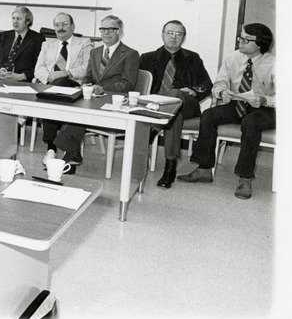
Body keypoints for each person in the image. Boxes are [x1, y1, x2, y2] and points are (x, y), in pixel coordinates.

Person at [178, 23, 275, 200]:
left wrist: (263, 99)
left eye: (247, 39)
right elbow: (219, 82)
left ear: (260, 43)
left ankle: (245, 178)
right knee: (209, 115)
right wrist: (222, 92)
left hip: (265, 110)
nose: (241, 41)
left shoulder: (275, 64)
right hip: (239, 104)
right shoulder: (233, 58)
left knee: (251, 122)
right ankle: (204, 169)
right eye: (241, 37)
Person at [52, 14, 139, 173]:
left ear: (119, 32)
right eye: (102, 29)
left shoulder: (130, 54)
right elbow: (88, 76)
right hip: (92, 97)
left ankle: (69, 153)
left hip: (113, 99)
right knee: (76, 106)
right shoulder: (95, 52)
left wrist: (102, 89)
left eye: (110, 29)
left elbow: (128, 84)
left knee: (80, 111)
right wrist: (86, 85)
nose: (105, 33)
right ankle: (72, 154)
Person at [139, 20, 212, 189]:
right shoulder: (147, 58)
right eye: (170, 33)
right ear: (162, 35)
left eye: (178, 34)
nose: (174, 37)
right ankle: (169, 168)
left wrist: (194, 90)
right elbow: (138, 85)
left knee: (176, 94)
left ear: (183, 38)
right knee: (174, 115)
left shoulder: (193, 58)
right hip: (156, 104)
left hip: (187, 104)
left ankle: (151, 132)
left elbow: (207, 84)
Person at [34, 12, 93, 162]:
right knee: (51, 94)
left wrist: (65, 73)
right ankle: (55, 149)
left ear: (73, 26)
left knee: (51, 93)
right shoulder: (47, 45)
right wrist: (51, 78)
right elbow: (38, 69)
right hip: (50, 85)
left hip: (73, 85)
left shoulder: (84, 43)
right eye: (57, 25)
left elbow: (87, 68)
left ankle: (51, 148)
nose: (61, 28)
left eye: (65, 24)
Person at [0, 6, 44, 81]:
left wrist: (22, 76)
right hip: (0, 79)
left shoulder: (37, 39)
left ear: (28, 21)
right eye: (13, 18)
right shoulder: (4, 36)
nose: (15, 22)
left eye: (19, 19)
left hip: (22, 82)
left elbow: (39, 66)